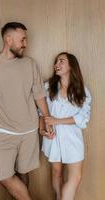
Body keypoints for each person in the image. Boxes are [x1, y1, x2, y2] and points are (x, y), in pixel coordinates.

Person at [0, 22, 54, 200]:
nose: (25, 44)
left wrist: (47, 119)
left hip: (29, 130)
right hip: (3, 131)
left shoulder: (30, 64)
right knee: (4, 176)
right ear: (8, 39)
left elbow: (39, 96)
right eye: (22, 39)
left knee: (23, 172)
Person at [39, 52, 91, 200]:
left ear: (71, 66)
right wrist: (42, 130)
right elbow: (40, 112)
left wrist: (57, 121)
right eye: (56, 62)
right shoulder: (48, 87)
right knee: (57, 173)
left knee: (76, 177)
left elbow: (83, 117)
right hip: (52, 136)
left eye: (61, 61)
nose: (57, 64)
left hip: (72, 137)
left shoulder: (82, 90)